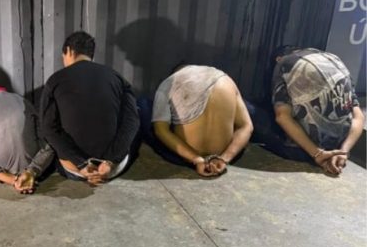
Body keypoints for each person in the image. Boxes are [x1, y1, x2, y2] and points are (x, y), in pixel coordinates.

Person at [39, 31, 140, 185]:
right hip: (112, 169)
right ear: (91, 55)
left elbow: (48, 128)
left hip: (76, 170)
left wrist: (82, 164)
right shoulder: (117, 78)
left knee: (52, 138)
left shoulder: (55, 80)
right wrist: (110, 161)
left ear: (69, 51)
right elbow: (132, 122)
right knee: (135, 122)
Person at [251, 47, 364, 175]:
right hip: (337, 148)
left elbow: (282, 117)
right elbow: (358, 116)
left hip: (302, 150)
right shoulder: (335, 60)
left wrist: (317, 153)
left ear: (278, 58)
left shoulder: (285, 62)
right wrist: (343, 152)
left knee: (246, 106)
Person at [142, 65, 254, 177]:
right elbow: (247, 126)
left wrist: (197, 159)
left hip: (184, 158)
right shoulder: (226, 80)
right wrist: (224, 159)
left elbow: (160, 131)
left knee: (144, 104)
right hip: (221, 155)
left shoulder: (169, 82)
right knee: (245, 107)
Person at [0, 87, 54, 194]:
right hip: (30, 161)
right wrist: (31, 171)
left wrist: (13, 180)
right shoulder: (24, 101)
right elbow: (47, 141)